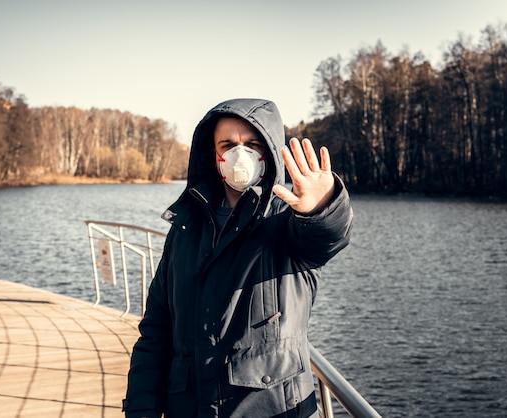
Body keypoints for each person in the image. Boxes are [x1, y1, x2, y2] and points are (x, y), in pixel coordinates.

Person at [123, 98, 353, 418]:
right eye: (228, 144)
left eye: (252, 144)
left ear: (269, 151)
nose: (239, 154)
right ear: (213, 154)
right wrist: (141, 409)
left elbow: (327, 237)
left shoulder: (287, 222)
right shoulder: (185, 227)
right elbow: (155, 331)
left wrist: (322, 207)